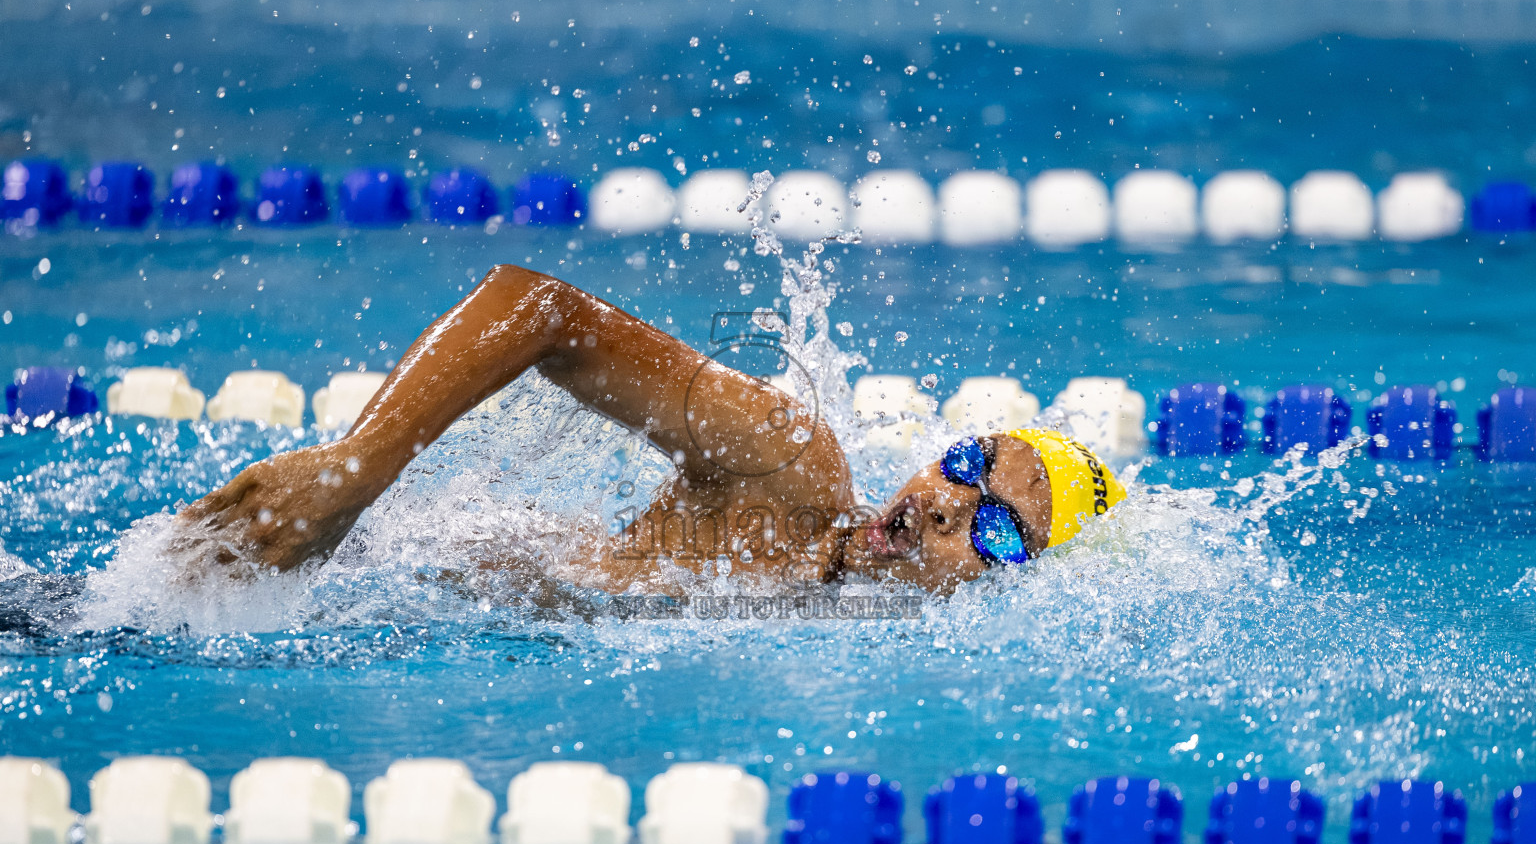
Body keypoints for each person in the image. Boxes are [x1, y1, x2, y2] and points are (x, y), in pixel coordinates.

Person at [178, 265, 1125, 595]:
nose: (949, 507)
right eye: (969, 464)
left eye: (997, 529)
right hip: (306, 573)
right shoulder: (790, 472)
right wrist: (356, 467)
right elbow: (540, 308)